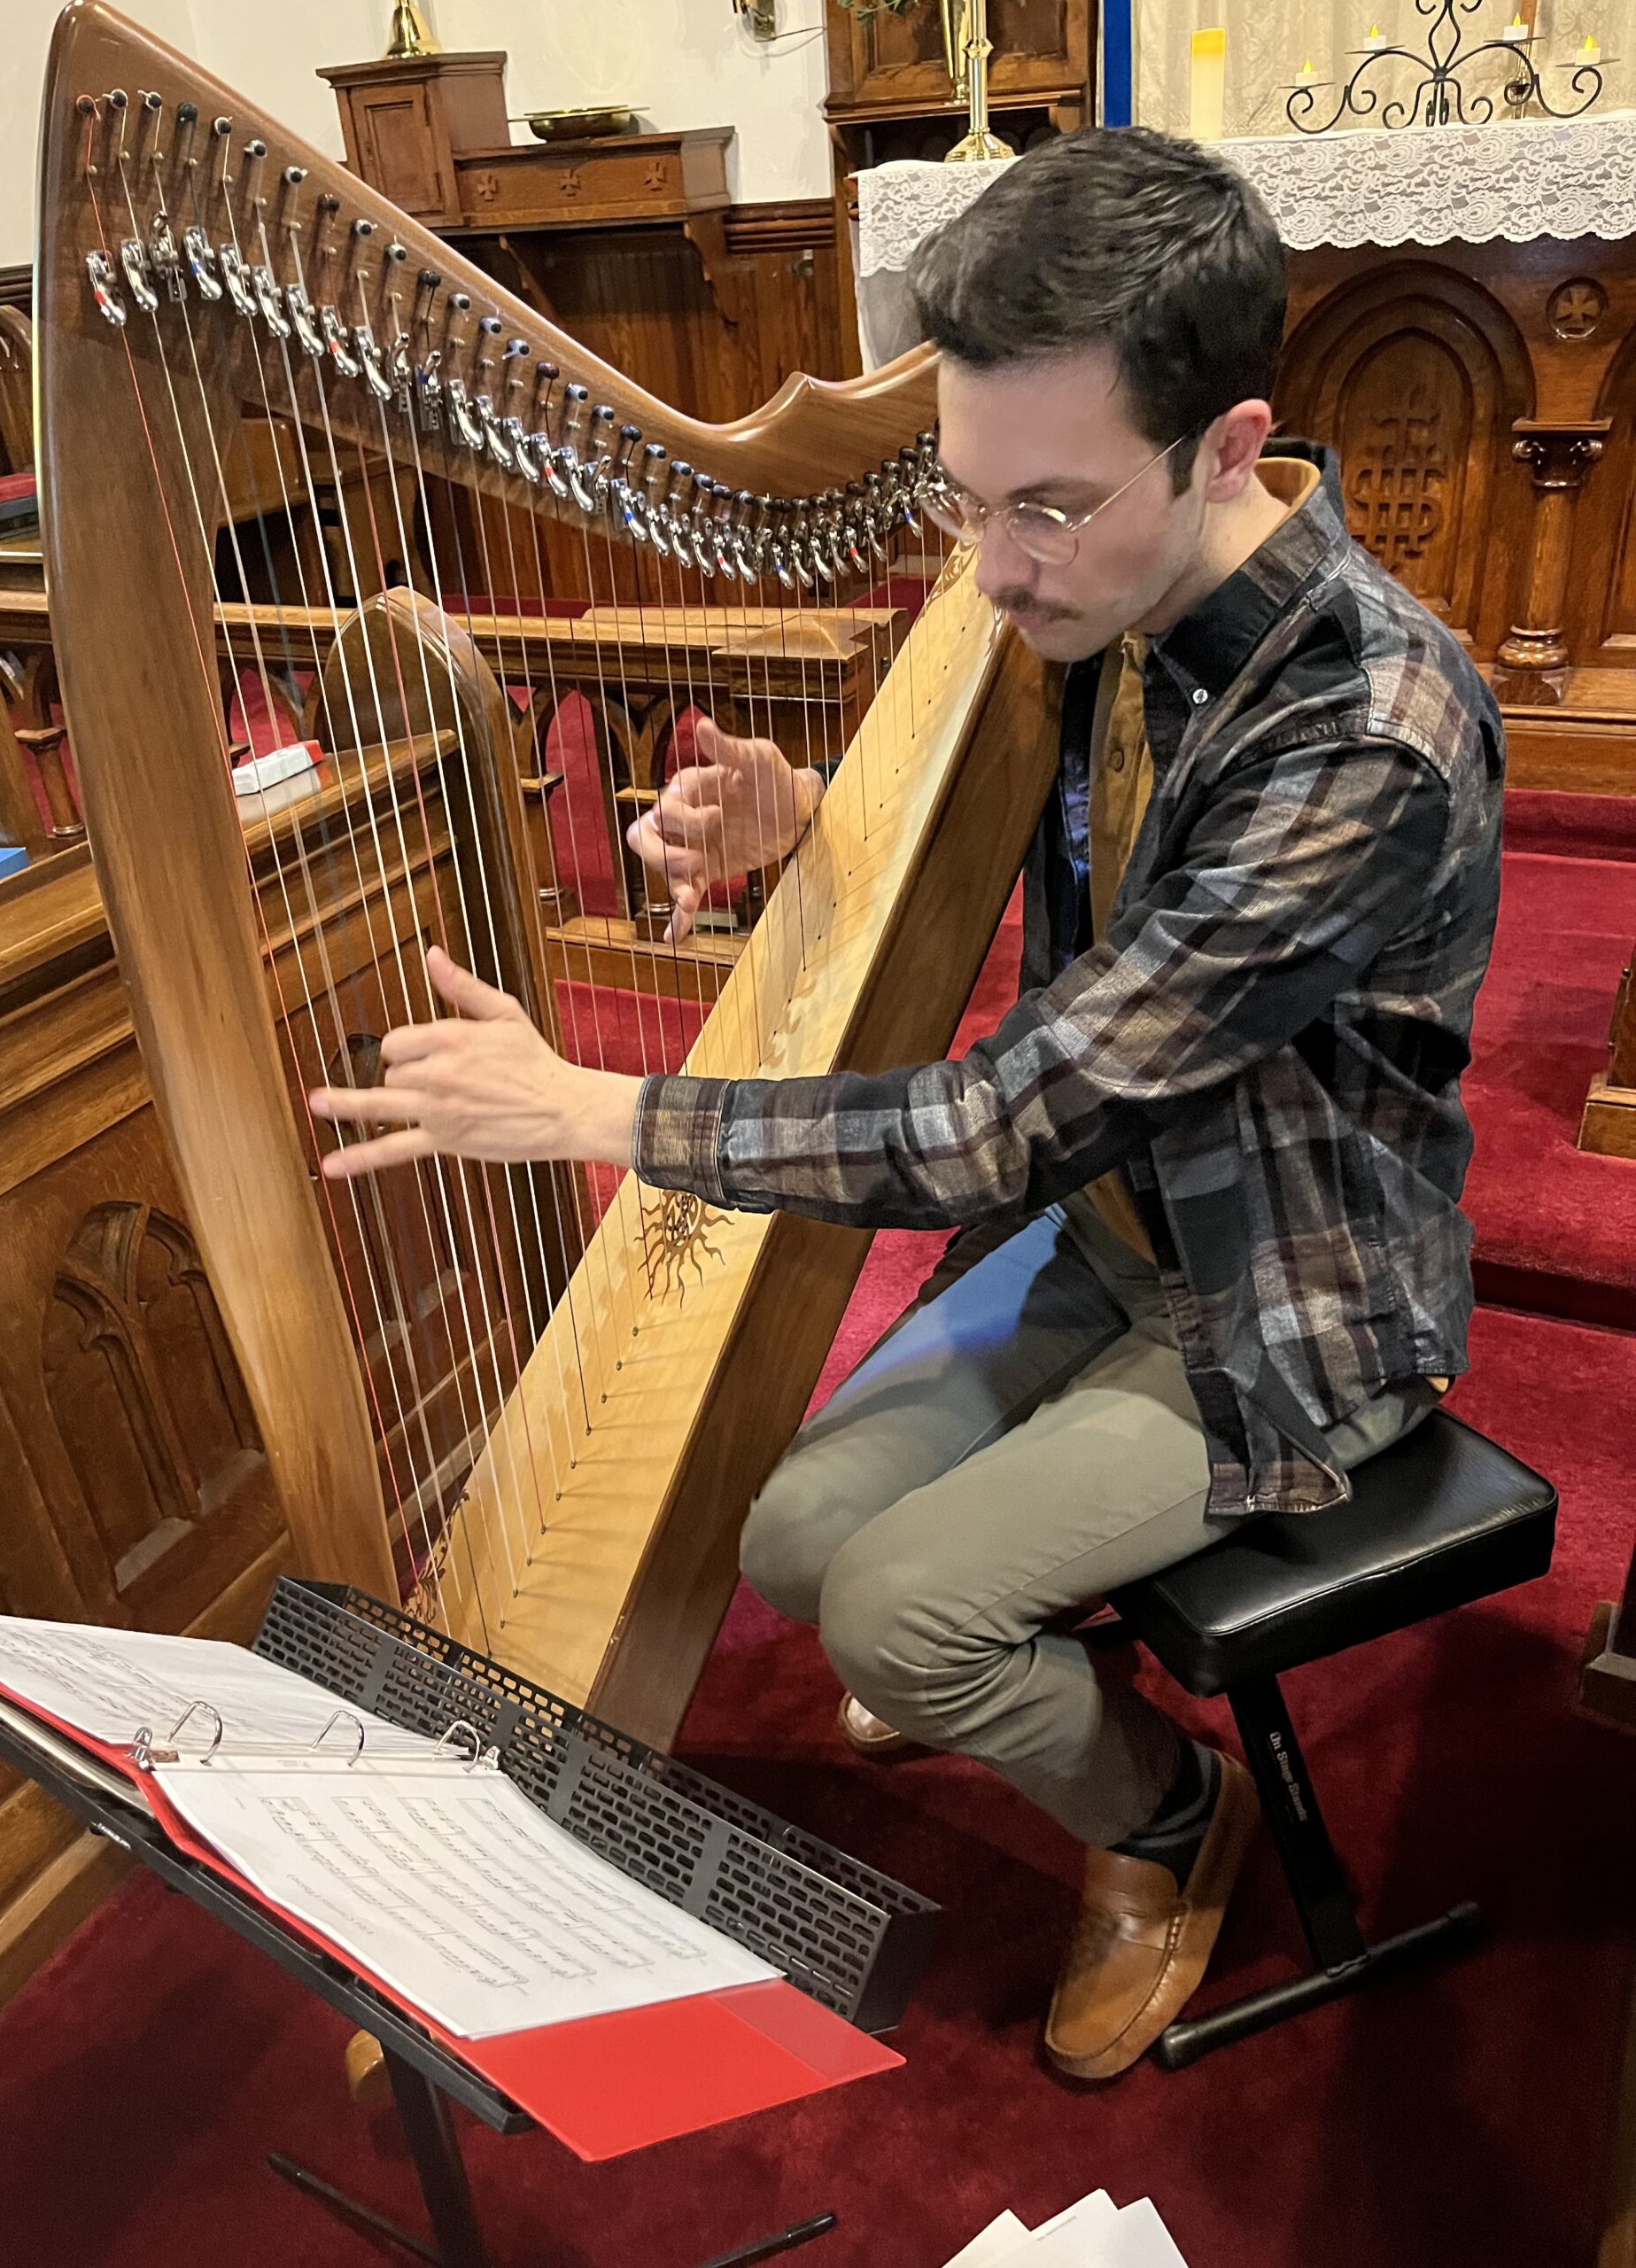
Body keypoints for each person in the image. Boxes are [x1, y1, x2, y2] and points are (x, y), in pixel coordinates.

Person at [309, 128, 1505, 2081]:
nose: (995, 563)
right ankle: (1002, 1646)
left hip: (1289, 1295)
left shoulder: (1362, 731)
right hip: (1104, 1235)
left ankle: (1166, 1821)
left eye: (1046, 504)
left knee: (891, 1609)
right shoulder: (1087, 604)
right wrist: (802, 828)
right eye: (964, 500)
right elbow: (1055, 906)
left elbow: (993, 1120)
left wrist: (604, 1110)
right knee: (786, 1538)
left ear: (1230, 443)